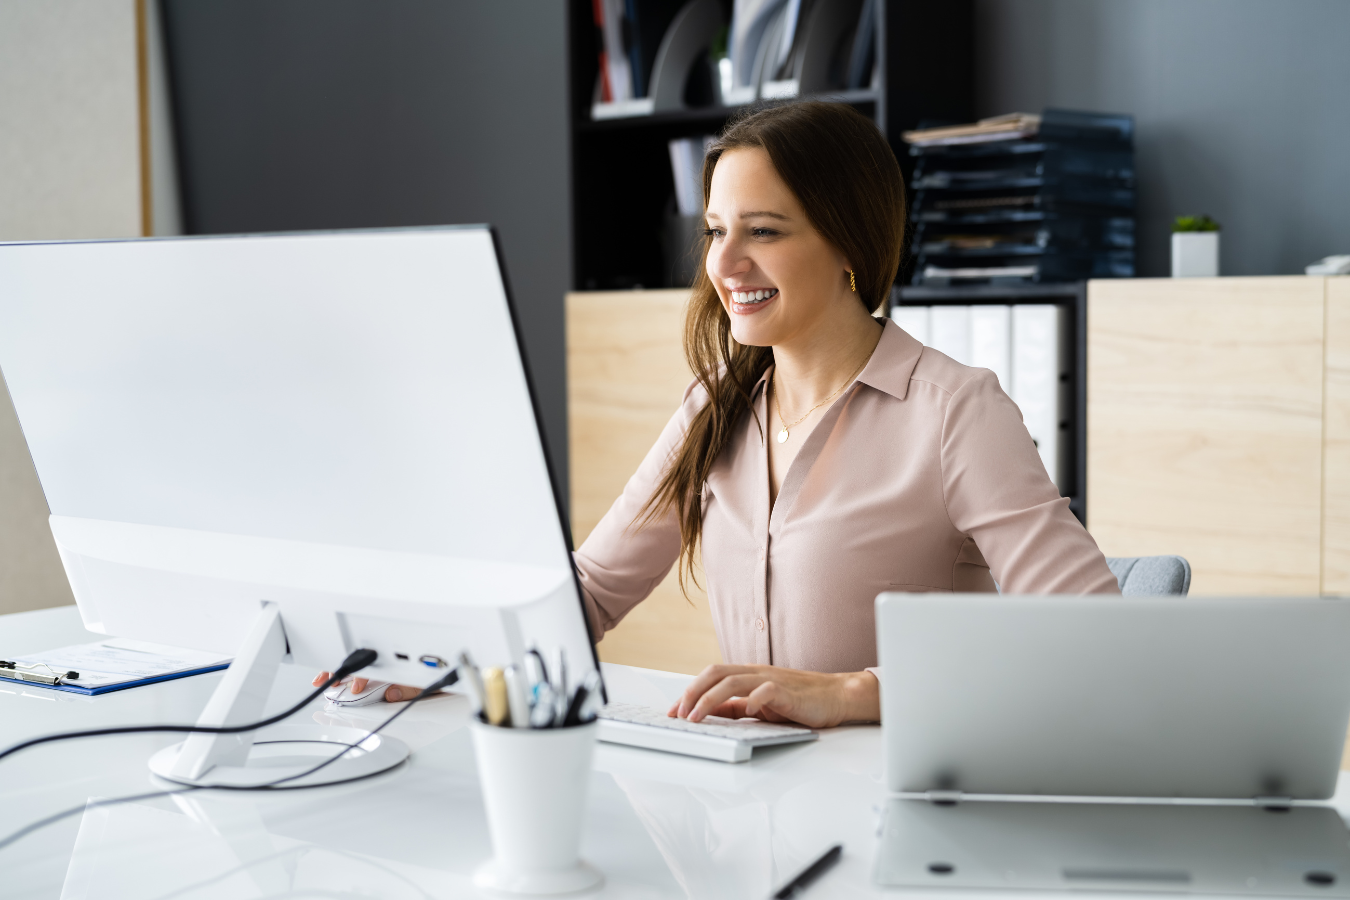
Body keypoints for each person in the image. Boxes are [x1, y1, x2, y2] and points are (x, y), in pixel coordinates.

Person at [317, 101, 1119, 723]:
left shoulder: (953, 411)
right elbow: (590, 590)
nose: (725, 265)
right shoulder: (717, 406)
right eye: (714, 231)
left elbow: (1091, 638)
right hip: (751, 798)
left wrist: (851, 692)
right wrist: (427, 659)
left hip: (899, 794)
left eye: (762, 232)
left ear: (850, 244)